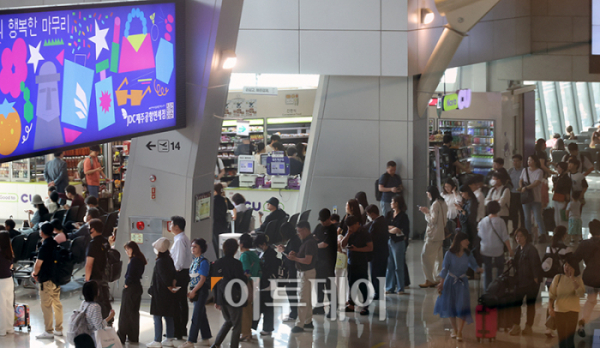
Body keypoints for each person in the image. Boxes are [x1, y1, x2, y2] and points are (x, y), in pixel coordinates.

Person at [434, 232, 483, 342]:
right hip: (450, 282)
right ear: (460, 241)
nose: (468, 242)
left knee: (463, 306)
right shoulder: (449, 254)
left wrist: (478, 269)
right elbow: (445, 269)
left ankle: (460, 331)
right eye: (466, 240)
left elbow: (474, 265)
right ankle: (455, 329)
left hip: (462, 282)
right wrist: (441, 283)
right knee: (451, 307)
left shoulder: (468, 253)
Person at [211, 238, 246, 348]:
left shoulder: (217, 263)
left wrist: (216, 300)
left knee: (228, 321)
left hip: (222, 297)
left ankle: (216, 344)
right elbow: (241, 281)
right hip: (234, 298)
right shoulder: (237, 264)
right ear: (235, 250)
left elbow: (214, 283)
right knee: (236, 325)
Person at [286, 221, 318, 333]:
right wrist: (296, 256)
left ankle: (300, 324)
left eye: (299, 231)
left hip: (306, 272)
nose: (298, 234)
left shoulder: (309, 243)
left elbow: (308, 260)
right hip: (305, 272)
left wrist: (295, 259)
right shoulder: (307, 241)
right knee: (307, 298)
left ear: (305, 229)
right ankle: (308, 321)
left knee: (303, 299)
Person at [509, 228, 542, 336]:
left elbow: (535, 264)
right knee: (516, 303)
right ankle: (516, 325)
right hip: (520, 281)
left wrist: (536, 278)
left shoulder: (531, 249)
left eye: (521, 236)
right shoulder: (518, 249)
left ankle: (528, 326)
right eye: (517, 236)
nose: (518, 238)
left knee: (530, 305)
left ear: (526, 237)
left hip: (531, 282)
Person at [180, 239, 212, 348]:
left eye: (195, 247)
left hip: (200, 291)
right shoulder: (194, 261)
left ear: (201, 249)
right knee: (201, 314)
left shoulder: (203, 262)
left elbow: (202, 279)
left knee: (196, 315)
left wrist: (194, 291)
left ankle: (191, 341)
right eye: (192, 246)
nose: (192, 249)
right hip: (195, 289)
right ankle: (206, 337)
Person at [147, 238, 178, 348]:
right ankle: (169, 338)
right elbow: (174, 274)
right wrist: (173, 285)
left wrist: (169, 286)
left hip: (160, 292)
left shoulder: (159, 261)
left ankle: (157, 340)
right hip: (168, 294)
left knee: (157, 316)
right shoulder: (169, 259)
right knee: (168, 315)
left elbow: (163, 277)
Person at [548, 255, 585, 348]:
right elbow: (551, 294)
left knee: (570, 340)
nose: (567, 267)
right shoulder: (558, 277)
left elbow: (581, 294)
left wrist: (572, 278)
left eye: (569, 266)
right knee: (562, 339)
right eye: (565, 265)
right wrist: (550, 307)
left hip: (572, 312)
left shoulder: (578, 280)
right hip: (559, 312)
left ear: (574, 268)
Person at [543, 226, 573, 338]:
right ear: (564, 235)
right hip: (561, 281)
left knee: (551, 302)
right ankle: (554, 327)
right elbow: (572, 265)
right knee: (559, 304)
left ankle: (548, 328)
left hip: (549, 280)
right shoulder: (567, 249)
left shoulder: (549, 248)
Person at [340, 215, 373, 315]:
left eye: (352, 226)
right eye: (349, 227)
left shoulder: (365, 233)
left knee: (363, 284)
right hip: (351, 262)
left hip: (361, 262)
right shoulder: (350, 232)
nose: (350, 228)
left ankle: (365, 306)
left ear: (357, 224)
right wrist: (348, 234)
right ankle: (351, 304)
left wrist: (357, 249)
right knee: (351, 284)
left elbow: (370, 248)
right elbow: (342, 245)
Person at [573, 219, 600, 338]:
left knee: (590, 301)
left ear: (590, 231)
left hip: (589, 278)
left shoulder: (584, 244)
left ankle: (582, 324)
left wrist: (577, 276)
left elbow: (574, 259)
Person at [477, 201, 513, 290]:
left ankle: (488, 290)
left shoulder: (483, 221)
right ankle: (498, 288)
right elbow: (505, 237)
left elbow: (479, 235)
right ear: (498, 209)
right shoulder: (501, 221)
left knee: (487, 271)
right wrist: (510, 250)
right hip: (498, 250)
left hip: (485, 249)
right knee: (500, 270)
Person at [168, 216, 193, 340]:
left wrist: (174, 277)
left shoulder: (180, 240)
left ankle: (178, 330)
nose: (170, 226)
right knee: (181, 302)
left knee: (178, 302)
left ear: (176, 227)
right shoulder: (182, 238)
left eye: (171, 224)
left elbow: (179, 260)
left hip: (180, 273)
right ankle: (181, 329)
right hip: (184, 273)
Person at [117, 241, 146, 344]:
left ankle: (121, 336)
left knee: (125, 313)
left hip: (131, 288)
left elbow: (130, 275)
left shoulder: (134, 261)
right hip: (137, 287)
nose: (127, 252)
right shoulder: (140, 260)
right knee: (133, 313)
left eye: (128, 249)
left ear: (133, 249)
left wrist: (126, 284)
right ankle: (133, 336)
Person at [419, 186, 448, 288]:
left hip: (433, 235)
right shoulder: (443, 203)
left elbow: (433, 220)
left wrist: (426, 212)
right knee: (438, 257)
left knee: (425, 256)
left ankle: (429, 279)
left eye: (428, 194)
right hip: (441, 234)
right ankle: (437, 277)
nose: (428, 196)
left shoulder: (435, 204)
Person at [84, 219, 112, 322]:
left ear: (93, 229)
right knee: (105, 299)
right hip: (104, 275)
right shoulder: (105, 241)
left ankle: (101, 323)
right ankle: (109, 321)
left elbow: (89, 264)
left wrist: (87, 280)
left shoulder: (93, 244)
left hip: (95, 278)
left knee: (97, 302)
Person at [312, 208, 338, 315]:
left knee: (329, 284)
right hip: (318, 261)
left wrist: (314, 246)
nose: (322, 222)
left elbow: (324, 244)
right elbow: (313, 237)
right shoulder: (319, 227)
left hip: (328, 261)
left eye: (324, 220)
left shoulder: (332, 229)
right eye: (321, 220)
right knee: (319, 283)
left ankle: (333, 308)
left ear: (329, 219)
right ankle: (319, 306)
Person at [254, 234, 280, 336]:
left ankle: (267, 328)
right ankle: (262, 327)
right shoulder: (263, 253)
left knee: (267, 306)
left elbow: (267, 270)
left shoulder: (270, 255)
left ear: (264, 244)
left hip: (267, 283)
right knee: (262, 304)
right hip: (263, 283)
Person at [519, 154, 547, 242]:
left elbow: (537, 182)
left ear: (535, 161)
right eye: (528, 160)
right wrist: (521, 187)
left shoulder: (539, 171)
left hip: (536, 197)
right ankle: (528, 234)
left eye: (530, 160)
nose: (528, 162)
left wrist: (526, 188)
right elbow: (521, 180)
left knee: (537, 216)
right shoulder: (525, 170)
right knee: (527, 217)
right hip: (526, 197)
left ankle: (542, 234)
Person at [384, 196, 409, 295]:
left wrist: (393, 229)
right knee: (390, 265)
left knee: (398, 266)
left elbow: (400, 229)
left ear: (397, 203)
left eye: (392, 202)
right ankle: (389, 287)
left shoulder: (403, 216)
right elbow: (385, 226)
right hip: (390, 241)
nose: (391, 203)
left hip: (398, 242)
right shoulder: (389, 214)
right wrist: (392, 229)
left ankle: (400, 287)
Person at [79, 281, 115, 346]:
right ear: (96, 292)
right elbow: (99, 327)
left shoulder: (83, 303)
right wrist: (110, 317)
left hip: (84, 336)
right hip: (93, 339)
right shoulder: (95, 307)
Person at [239, 233, 260, 342]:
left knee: (245, 309)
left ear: (241, 244)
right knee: (250, 308)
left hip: (247, 283)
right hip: (256, 282)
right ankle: (248, 332)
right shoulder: (254, 254)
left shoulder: (244, 256)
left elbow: (246, 272)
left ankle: (246, 333)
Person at [364, 205, 388, 300]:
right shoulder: (383, 221)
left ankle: (377, 293)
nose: (367, 216)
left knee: (375, 274)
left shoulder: (376, 224)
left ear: (372, 214)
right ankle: (379, 291)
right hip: (384, 252)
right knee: (381, 273)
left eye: (368, 214)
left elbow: (372, 238)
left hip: (376, 253)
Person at [278, 226, 302, 322]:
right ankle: (294, 312)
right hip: (294, 270)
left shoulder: (293, 241)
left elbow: (290, 258)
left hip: (292, 270)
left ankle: (294, 313)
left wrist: (283, 251)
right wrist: (285, 249)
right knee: (291, 291)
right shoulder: (295, 240)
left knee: (291, 291)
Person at [213, 183, 236, 255]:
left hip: (215, 224)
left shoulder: (213, 200)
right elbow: (233, 208)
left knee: (216, 242)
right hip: (224, 223)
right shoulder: (225, 199)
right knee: (223, 241)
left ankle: (217, 255)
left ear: (215, 191)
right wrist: (234, 216)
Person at [457, 185, 479, 254]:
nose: (462, 196)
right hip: (466, 226)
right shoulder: (468, 201)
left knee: (468, 245)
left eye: (462, 193)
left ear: (467, 192)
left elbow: (469, 216)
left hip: (469, 227)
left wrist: (460, 209)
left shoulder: (472, 202)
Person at [508, 155, 525, 234]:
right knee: (514, 212)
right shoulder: (510, 171)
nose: (515, 162)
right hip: (513, 194)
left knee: (522, 212)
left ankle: (523, 228)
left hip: (522, 194)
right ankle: (515, 228)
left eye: (517, 161)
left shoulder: (524, 171)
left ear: (521, 161)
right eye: (513, 161)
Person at [0, 232, 13, 337]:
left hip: (1, 282)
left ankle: (1, 330)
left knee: (1, 306)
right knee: (9, 305)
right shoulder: (9, 252)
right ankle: (9, 328)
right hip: (9, 280)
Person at [552, 162, 572, 229]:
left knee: (562, 218)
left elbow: (567, 192)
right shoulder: (559, 177)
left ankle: (563, 233)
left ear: (563, 169)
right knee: (556, 217)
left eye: (559, 168)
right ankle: (558, 231)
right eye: (557, 167)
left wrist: (567, 203)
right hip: (557, 198)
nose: (557, 169)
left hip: (562, 200)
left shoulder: (566, 179)